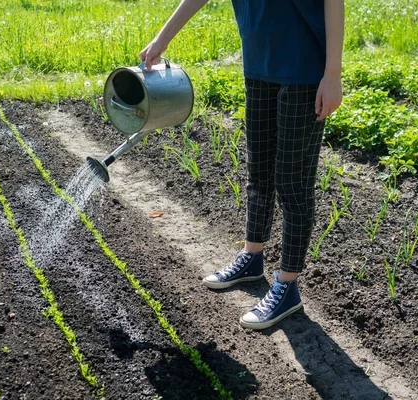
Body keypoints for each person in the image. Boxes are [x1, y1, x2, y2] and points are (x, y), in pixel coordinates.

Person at [141, 0, 344, 330]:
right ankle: (252, 258)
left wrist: (332, 74)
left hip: (305, 69)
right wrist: (162, 39)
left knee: (293, 183)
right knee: (259, 174)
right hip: (258, 63)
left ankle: (287, 285)